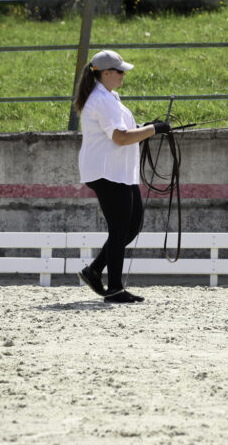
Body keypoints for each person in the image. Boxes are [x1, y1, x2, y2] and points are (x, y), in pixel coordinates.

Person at [73, 50, 170, 303]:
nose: (123, 74)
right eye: (119, 71)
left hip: (118, 172)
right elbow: (120, 137)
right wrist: (153, 130)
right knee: (119, 230)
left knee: (132, 226)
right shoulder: (102, 100)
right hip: (107, 172)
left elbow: (125, 131)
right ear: (106, 73)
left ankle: (94, 270)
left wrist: (145, 129)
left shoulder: (109, 96)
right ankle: (114, 288)